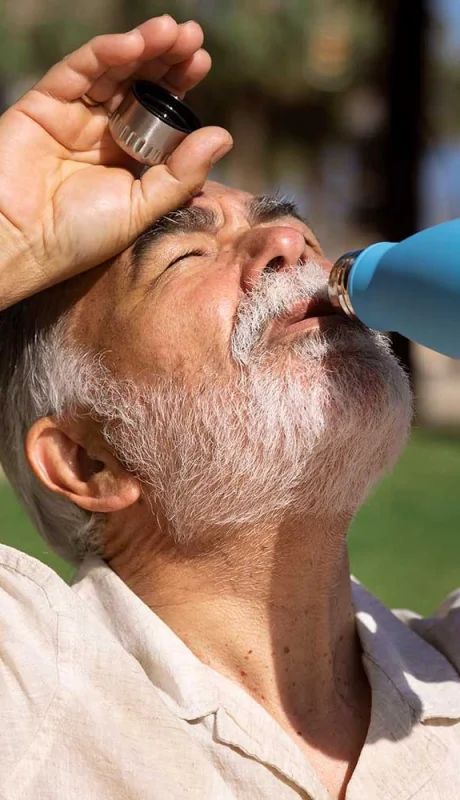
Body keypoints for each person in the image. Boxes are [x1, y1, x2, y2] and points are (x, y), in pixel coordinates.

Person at [0, 15, 459, 800]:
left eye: (288, 222)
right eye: (184, 254)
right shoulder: (29, 689)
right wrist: (9, 234)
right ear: (86, 459)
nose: (290, 243)